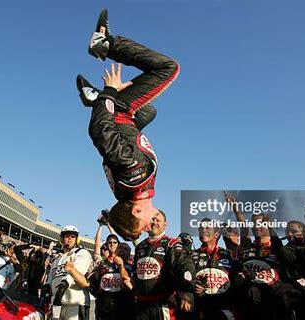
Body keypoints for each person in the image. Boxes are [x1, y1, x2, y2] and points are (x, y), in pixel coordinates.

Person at [77, 9, 180, 241]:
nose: (149, 227)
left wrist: (110, 93)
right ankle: (95, 98)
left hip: (119, 112)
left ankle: (106, 45)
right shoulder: (125, 194)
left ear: (136, 211)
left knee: (168, 69)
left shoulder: (136, 174)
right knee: (149, 112)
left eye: (143, 227)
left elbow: (100, 133)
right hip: (126, 120)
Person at [133, 210, 195, 320]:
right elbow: (135, 272)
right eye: (152, 220)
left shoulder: (172, 244)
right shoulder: (140, 246)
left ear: (165, 224)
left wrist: (187, 291)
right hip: (141, 305)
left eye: (158, 220)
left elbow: (185, 265)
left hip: (163, 304)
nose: (154, 223)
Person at [191, 218, 244, 320]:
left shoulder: (230, 256)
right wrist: (193, 285)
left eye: (207, 228)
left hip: (225, 308)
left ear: (216, 234)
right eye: (201, 228)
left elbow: (239, 281)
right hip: (201, 308)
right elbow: (184, 280)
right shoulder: (191, 256)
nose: (203, 230)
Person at [45, 225, 93, 320]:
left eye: (73, 236)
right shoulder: (57, 257)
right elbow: (52, 275)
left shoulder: (82, 253)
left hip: (75, 302)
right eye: (67, 236)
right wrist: (47, 285)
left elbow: (79, 271)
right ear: (62, 239)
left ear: (76, 239)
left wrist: (65, 282)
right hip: (57, 302)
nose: (70, 239)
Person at [88, 234, 133, 320]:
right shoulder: (102, 264)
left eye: (126, 249)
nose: (123, 251)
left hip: (123, 310)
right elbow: (92, 282)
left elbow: (129, 285)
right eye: (110, 242)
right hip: (103, 311)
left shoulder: (131, 266)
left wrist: (121, 266)